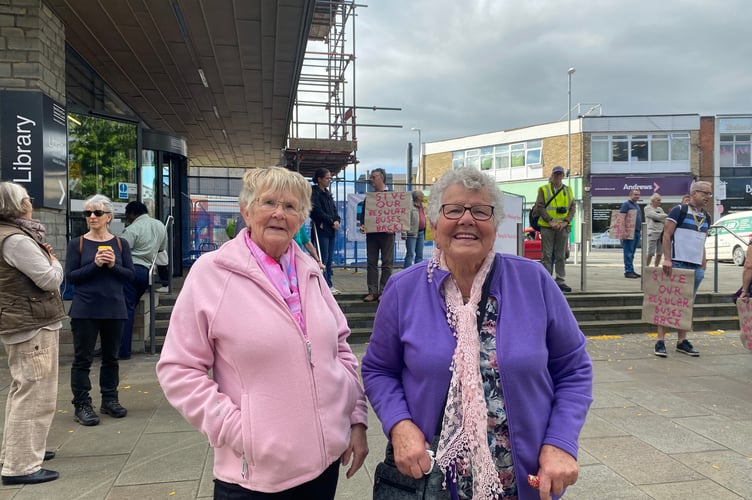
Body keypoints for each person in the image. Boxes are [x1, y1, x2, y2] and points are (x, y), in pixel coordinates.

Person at [362, 167, 593, 499]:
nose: (466, 219)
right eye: (453, 209)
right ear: (435, 223)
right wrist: (399, 425)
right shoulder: (403, 289)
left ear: (495, 224)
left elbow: (574, 369)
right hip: (430, 482)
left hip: (521, 482)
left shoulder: (534, 281)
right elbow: (379, 369)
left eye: (480, 211)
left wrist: (561, 442)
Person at [156, 167, 368, 498]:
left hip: (325, 466)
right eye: (268, 202)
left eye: (291, 206)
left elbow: (340, 349)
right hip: (257, 477)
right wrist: (240, 432)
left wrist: (354, 417)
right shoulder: (211, 274)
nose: (279, 214)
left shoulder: (311, 272)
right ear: (246, 210)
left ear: (301, 218)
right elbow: (178, 370)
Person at [0, 182, 66, 485]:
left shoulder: (11, 235)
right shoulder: (16, 240)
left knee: (22, 390)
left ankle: (18, 451)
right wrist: (54, 261)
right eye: (26, 198)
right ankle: (21, 465)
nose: (31, 201)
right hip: (32, 325)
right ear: (16, 205)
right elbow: (50, 279)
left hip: (22, 323)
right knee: (35, 394)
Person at [65, 194, 134, 426]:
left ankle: (110, 399)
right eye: (87, 213)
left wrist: (113, 264)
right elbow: (72, 277)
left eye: (97, 213)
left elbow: (129, 276)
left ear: (108, 217)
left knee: (111, 358)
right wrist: (94, 264)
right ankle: (82, 404)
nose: (92, 217)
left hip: (114, 308)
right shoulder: (77, 244)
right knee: (82, 359)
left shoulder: (120, 243)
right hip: (85, 309)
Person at [654, 181, 713, 357]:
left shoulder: (707, 217)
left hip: (696, 266)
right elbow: (667, 235)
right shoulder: (679, 211)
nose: (708, 197)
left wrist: (703, 261)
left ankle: (682, 341)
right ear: (694, 193)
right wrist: (667, 259)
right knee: (668, 302)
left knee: (687, 305)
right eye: (705, 193)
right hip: (678, 263)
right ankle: (660, 340)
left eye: (710, 194)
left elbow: (701, 240)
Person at [120, 201, 167, 359]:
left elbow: (121, 250)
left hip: (130, 270)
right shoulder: (160, 225)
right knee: (130, 306)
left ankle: (123, 351)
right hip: (146, 272)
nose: (128, 220)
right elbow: (161, 249)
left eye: (128, 217)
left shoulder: (133, 228)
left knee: (125, 309)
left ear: (132, 214)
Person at [533, 165, 575, 293]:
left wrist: (565, 221)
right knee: (546, 255)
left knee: (561, 255)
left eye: (560, 174)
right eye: (556, 174)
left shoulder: (568, 190)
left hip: (563, 227)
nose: (558, 176)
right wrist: (550, 221)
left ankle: (560, 280)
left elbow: (573, 207)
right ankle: (547, 280)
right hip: (547, 226)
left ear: (563, 176)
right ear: (552, 175)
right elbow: (540, 206)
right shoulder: (543, 189)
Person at [358, 168, 394, 302]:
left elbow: (398, 216)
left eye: (373, 177)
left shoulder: (392, 195)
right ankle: (372, 291)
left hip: (387, 235)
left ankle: (384, 291)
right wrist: (362, 225)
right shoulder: (370, 198)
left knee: (387, 263)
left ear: (381, 178)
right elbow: (364, 214)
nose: (371, 180)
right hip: (372, 234)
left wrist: (394, 228)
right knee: (371, 262)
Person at [310, 168, 341, 294]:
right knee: (323, 257)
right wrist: (330, 221)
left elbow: (333, 209)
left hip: (330, 230)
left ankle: (328, 283)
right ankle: (324, 283)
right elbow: (316, 211)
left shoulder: (327, 194)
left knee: (329, 258)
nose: (329, 181)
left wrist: (337, 220)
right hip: (321, 228)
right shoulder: (314, 193)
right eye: (327, 178)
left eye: (330, 178)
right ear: (319, 179)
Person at [620, 189, 643, 278]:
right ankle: (628, 271)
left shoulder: (636, 205)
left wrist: (640, 230)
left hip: (636, 232)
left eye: (638, 195)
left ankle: (631, 270)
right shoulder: (626, 205)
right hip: (629, 232)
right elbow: (622, 218)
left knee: (632, 253)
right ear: (630, 195)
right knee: (628, 252)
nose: (637, 196)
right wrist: (624, 231)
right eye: (635, 194)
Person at [403, 190, 426, 268]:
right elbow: (405, 219)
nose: (423, 197)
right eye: (422, 195)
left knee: (420, 254)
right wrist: (404, 233)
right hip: (411, 233)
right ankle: (407, 272)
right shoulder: (410, 206)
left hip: (421, 233)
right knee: (410, 254)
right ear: (418, 197)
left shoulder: (423, 206)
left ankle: (417, 272)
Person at [644, 193, 668, 267]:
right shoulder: (647, 208)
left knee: (660, 253)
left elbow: (664, 220)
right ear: (653, 200)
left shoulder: (660, 209)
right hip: (652, 232)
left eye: (660, 200)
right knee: (650, 252)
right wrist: (667, 215)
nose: (660, 202)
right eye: (658, 200)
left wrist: (662, 217)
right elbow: (655, 216)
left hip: (661, 232)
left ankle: (656, 268)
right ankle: (646, 268)